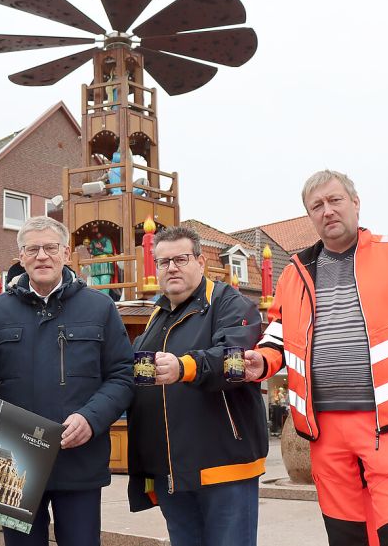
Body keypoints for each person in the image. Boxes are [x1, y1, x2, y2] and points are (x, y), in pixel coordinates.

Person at [243, 170, 388, 546]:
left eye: (335, 200)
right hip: (325, 433)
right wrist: (262, 362)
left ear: (355, 204)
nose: (327, 211)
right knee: (347, 538)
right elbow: (277, 338)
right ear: (309, 216)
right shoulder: (294, 274)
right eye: (317, 206)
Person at [0, 216, 134, 546]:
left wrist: (91, 419)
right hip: (14, 468)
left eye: (50, 247)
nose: (42, 256)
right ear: (21, 256)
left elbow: (123, 375)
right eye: (32, 248)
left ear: (66, 253)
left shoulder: (100, 308)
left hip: (78, 462)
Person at [126, 226, 266, 546]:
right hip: (172, 473)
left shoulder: (233, 304)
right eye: (163, 262)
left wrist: (184, 367)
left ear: (201, 262)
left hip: (224, 469)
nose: (172, 267)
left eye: (180, 259)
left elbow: (235, 363)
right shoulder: (155, 316)